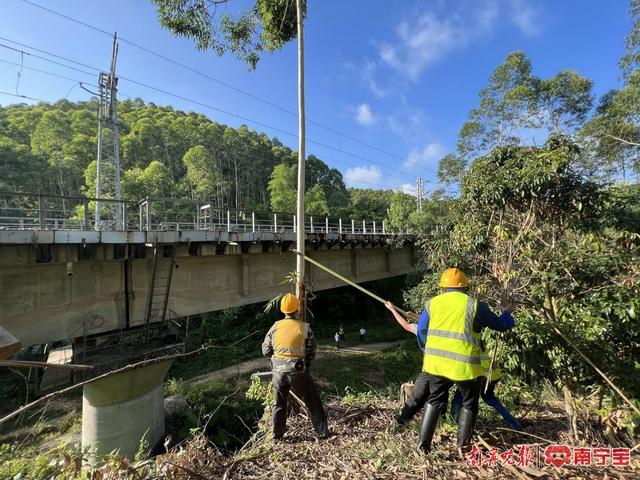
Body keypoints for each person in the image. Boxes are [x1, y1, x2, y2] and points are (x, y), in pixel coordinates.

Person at [391, 268, 515, 453]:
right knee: (469, 403)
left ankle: (422, 447)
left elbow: (423, 331)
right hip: (465, 367)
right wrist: (506, 312)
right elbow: (502, 325)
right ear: (466, 287)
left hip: (436, 365)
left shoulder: (431, 304)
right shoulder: (475, 305)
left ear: (443, 287)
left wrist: (428, 351)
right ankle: (463, 448)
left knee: (434, 400)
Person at [262, 293, 329, 440]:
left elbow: (266, 350)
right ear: (297, 309)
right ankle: (322, 432)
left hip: (278, 374)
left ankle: (277, 435)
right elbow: (311, 350)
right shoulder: (304, 328)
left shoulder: (275, 327)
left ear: (282, 309)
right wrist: (306, 364)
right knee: (312, 399)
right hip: (298, 372)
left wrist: (277, 361)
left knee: (278, 403)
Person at [450, 348, 523, 430]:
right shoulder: (481, 345)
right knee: (491, 400)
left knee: (459, 397)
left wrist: (483, 378)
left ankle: (453, 422)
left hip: (484, 377)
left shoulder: (470, 346)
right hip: (492, 377)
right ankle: (515, 424)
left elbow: (483, 364)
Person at [386, 304, 431, 425]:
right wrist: (415, 315)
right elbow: (429, 320)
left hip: (429, 367)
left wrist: (393, 310)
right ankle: (437, 420)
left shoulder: (420, 329)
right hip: (443, 368)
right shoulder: (439, 327)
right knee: (436, 396)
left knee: (417, 395)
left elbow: (405, 325)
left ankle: (402, 421)